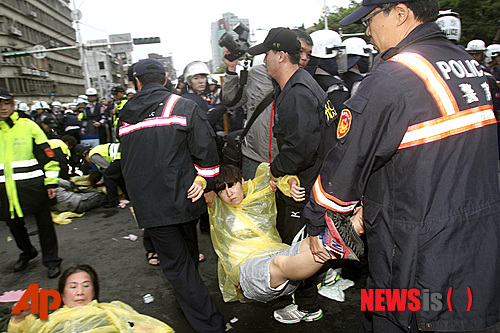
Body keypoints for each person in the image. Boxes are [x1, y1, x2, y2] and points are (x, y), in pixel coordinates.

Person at [304, 1, 500, 332]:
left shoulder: (392, 77)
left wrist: (315, 222)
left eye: (369, 19)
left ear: (399, 13)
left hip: (415, 250)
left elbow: (344, 169)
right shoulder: (468, 65)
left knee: (387, 315)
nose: (367, 31)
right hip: (477, 243)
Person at [119, 58, 225, 332]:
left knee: (178, 264)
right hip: (185, 196)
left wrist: (132, 198)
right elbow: (207, 149)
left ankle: (191, 301)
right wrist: (206, 181)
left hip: (150, 204)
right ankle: (209, 323)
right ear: (165, 79)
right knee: (185, 257)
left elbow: (124, 161)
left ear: (136, 82)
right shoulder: (183, 106)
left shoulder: (124, 114)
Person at [248, 27, 330, 324]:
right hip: (315, 179)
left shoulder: (297, 92)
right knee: (309, 241)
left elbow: (301, 149)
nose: (265, 61)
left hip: (309, 185)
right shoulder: (301, 84)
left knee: (299, 245)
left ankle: (307, 306)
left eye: (267, 54)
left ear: (280, 55)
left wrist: (276, 170)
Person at [209, 163, 364, 303]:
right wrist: (202, 183)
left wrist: (291, 183)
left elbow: (276, 174)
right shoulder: (215, 205)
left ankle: (357, 222)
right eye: (222, 190)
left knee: (309, 244)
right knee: (279, 263)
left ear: (242, 182)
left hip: (276, 255)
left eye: (232, 185)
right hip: (248, 269)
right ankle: (334, 247)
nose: (229, 193)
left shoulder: (258, 190)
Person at [0, 88, 62, 279]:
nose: (3, 108)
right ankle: (27, 251)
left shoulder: (29, 126)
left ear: (13, 104)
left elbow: (49, 156)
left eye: (6, 103)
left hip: (33, 186)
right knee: (14, 225)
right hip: (4, 190)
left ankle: (51, 260)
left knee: (45, 225)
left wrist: (51, 182)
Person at [8, 264, 173, 332]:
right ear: (62, 295)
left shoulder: (112, 310)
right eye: (73, 287)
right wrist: (19, 318)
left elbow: (155, 329)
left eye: (86, 285)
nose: (80, 292)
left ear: (94, 291)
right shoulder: (49, 321)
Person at [221, 48, 278, 180]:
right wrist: (231, 69)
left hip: (284, 159)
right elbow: (230, 102)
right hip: (253, 156)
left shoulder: (297, 79)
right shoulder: (253, 76)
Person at [84, 143, 126, 208]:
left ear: (87, 155)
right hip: (123, 152)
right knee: (118, 175)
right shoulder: (96, 150)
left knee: (109, 176)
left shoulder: (92, 156)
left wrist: (101, 181)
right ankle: (127, 196)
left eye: (86, 160)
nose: (88, 162)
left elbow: (108, 169)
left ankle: (113, 201)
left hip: (119, 155)